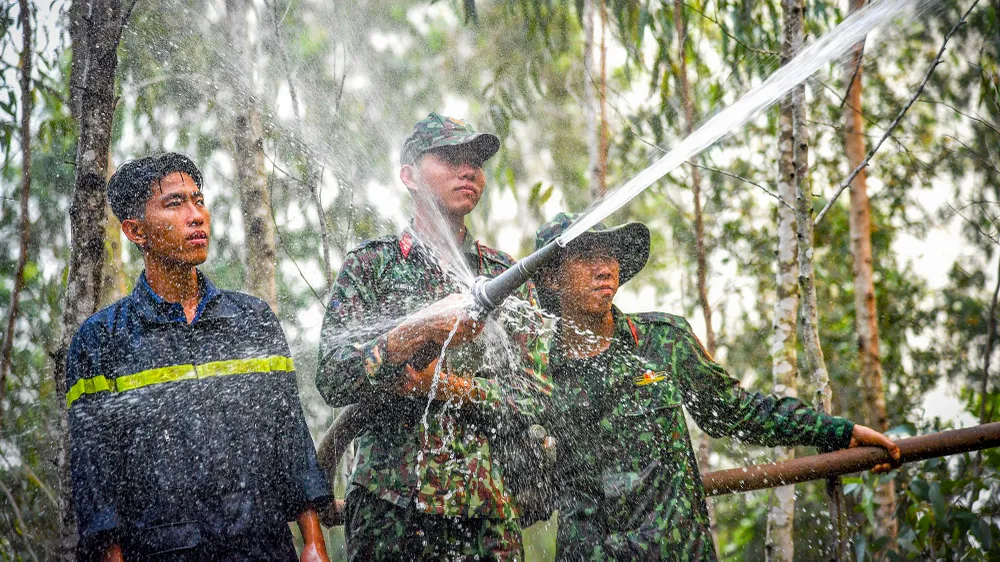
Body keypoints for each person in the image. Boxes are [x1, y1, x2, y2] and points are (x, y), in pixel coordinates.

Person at [532, 212, 901, 561]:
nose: (605, 268)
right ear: (551, 276)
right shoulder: (537, 371)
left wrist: (837, 431)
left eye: (610, 255)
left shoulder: (663, 342)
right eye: (586, 257)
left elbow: (735, 411)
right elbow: (525, 479)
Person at [66, 153, 330, 561]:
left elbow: (290, 439)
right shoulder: (100, 341)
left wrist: (313, 542)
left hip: (261, 550)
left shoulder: (252, 320)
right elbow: (97, 486)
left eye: (199, 200)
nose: (196, 216)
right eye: (175, 204)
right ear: (136, 231)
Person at [316, 113, 550, 560]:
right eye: (450, 158)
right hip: (389, 511)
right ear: (409, 176)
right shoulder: (372, 267)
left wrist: (446, 386)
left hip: (486, 511)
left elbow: (536, 396)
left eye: (476, 161)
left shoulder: (505, 275)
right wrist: (407, 337)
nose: (469, 170)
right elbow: (331, 376)